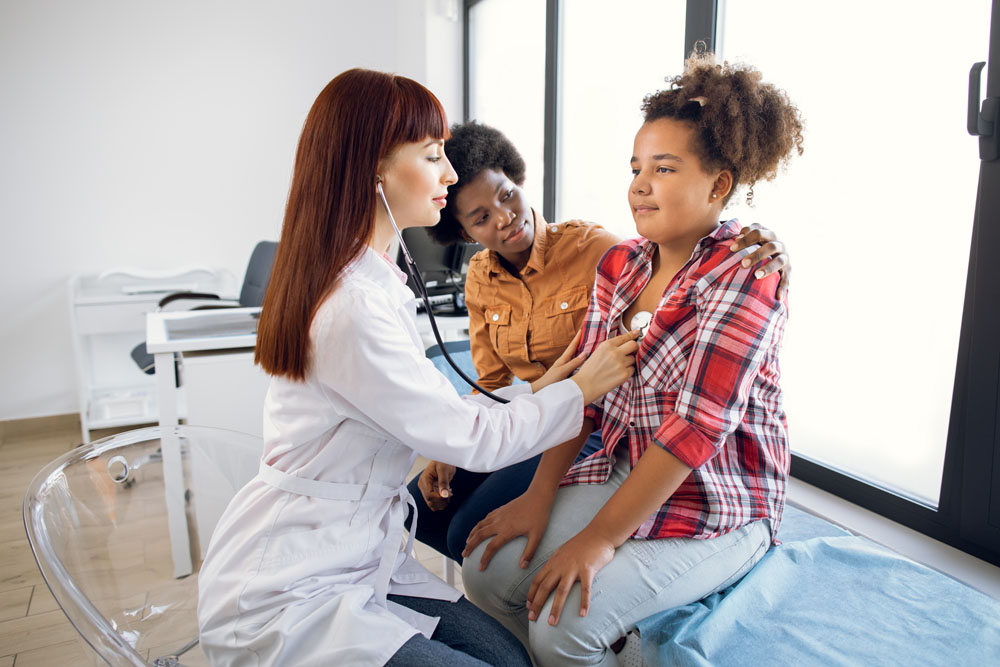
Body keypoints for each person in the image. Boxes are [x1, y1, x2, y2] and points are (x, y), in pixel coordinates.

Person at [195, 68, 639, 667]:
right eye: (433, 156)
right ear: (373, 169)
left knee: (508, 657)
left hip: (357, 548)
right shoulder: (352, 306)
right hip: (297, 582)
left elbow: (458, 407)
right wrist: (579, 387)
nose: (450, 174)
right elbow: (471, 425)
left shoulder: (373, 280)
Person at [460, 54, 804, 667]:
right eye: (636, 167)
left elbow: (695, 430)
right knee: (486, 578)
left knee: (563, 630)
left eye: (664, 169)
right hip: (627, 466)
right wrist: (539, 495)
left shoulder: (746, 274)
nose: (639, 185)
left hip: (724, 500)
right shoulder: (622, 266)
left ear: (718, 185)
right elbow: (584, 393)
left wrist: (597, 541)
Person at [406, 120, 794, 568]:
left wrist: (769, 244)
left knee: (466, 531)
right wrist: (453, 448)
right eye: (481, 218)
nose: (504, 217)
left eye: (507, 195)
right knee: (422, 513)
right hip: (536, 414)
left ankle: (500, 617)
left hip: (584, 421)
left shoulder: (596, 249)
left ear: (517, 180)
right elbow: (491, 382)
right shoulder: (480, 278)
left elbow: (675, 256)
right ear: (465, 234)